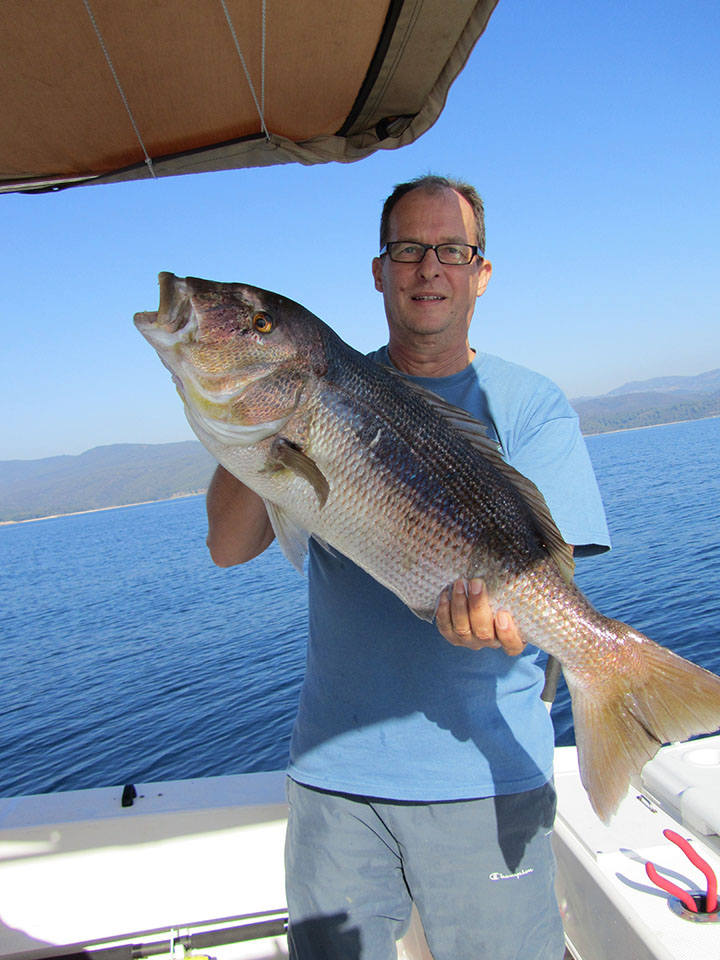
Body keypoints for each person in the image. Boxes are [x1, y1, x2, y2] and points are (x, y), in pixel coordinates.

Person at [206, 175, 610, 959]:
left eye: (451, 250)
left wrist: (522, 631)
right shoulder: (320, 388)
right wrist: (248, 427)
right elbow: (228, 548)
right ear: (379, 270)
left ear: (480, 273)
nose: (429, 268)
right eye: (408, 249)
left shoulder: (529, 405)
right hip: (333, 772)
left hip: (486, 778)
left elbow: (551, 583)